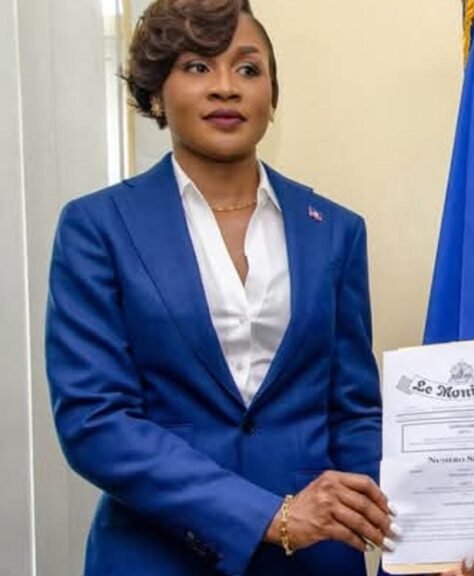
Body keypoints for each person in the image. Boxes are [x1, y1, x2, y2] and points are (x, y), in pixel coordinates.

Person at [45, 1, 394, 574]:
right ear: (157, 92)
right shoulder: (97, 227)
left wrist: (455, 525)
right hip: (155, 554)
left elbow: (353, 413)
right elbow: (95, 421)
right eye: (197, 67)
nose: (226, 87)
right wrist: (269, 516)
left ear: (272, 99)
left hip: (315, 561)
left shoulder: (335, 231)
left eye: (248, 69)